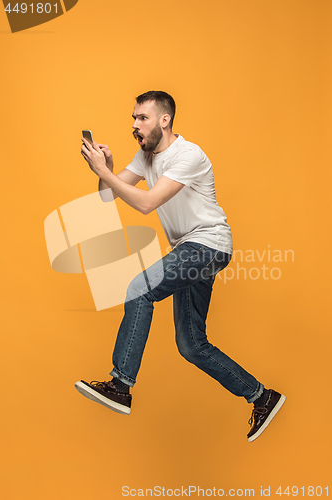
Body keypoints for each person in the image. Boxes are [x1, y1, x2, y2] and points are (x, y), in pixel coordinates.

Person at [75, 90, 285, 442]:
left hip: (207, 245)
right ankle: (262, 397)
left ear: (164, 120)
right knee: (191, 345)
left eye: (142, 118)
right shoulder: (145, 158)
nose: (134, 125)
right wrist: (106, 171)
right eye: (133, 118)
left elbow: (146, 204)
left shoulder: (189, 154)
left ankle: (120, 385)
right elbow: (106, 195)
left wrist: (103, 172)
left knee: (138, 288)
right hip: (189, 250)